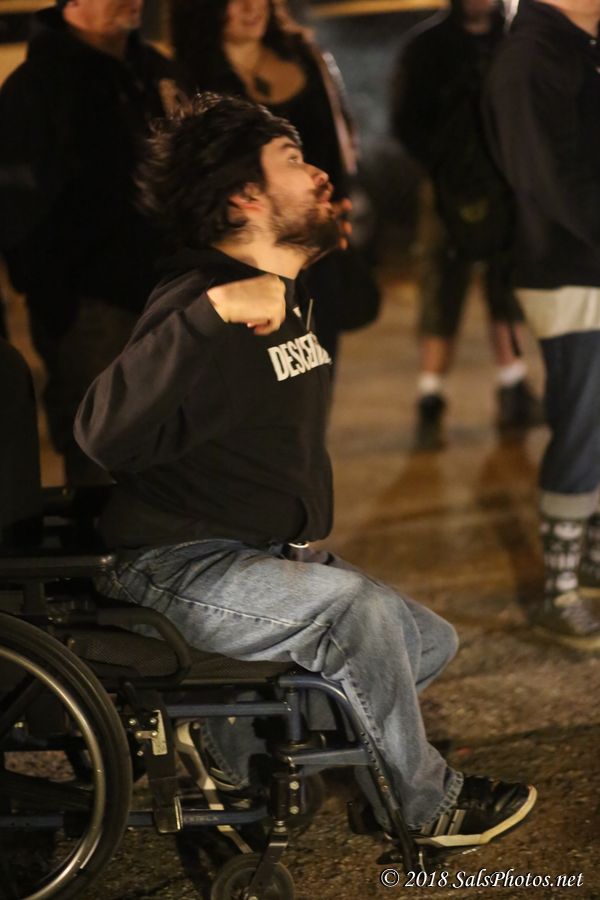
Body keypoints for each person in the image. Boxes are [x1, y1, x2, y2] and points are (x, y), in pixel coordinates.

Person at [74, 93, 536, 846]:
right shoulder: (199, 299)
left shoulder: (290, 293)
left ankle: (234, 743)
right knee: (357, 615)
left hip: (257, 551)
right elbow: (100, 430)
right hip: (173, 563)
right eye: (293, 160)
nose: (318, 170)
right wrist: (213, 312)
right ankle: (423, 806)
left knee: (427, 642)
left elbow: (362, 298)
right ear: (245, 197)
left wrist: (324, 236)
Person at [0, 0, 176, 484]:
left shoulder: (155, 71)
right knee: (102, 452)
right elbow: (17, 205)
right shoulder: (36, 87)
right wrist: (57, 299)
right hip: (91, 309)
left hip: (170, 290)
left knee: (172, 440)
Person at [169, 0, 380, 369]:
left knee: (315, 360)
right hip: (241, 255)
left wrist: (336, 207)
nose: (252, 7)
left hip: (313, 247)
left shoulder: (304, 57)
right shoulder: (189, 75)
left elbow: (338, 143)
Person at [484, 0, 600, 649]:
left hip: (585, 263)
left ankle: (588, 560)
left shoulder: (577, 45)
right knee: (582, 424)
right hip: (569, 269)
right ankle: (558, 591)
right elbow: (548, 179)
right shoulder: (531, 55)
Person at [391, 0, 542, 451]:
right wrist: (445, 167)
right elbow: (405, 121)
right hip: (448, 190)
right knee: (442, 282)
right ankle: (431, 397)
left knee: (505, 285)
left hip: (506, 187)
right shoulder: (426, 47)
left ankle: (513, 386)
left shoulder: (514, 41)